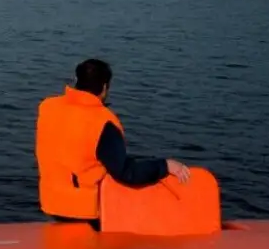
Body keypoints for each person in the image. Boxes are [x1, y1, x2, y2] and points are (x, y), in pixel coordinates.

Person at [35, 58, 191, 230]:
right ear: (104, 87)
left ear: (76, 81)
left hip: (51, 203)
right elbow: (126, 172)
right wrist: (164, 165)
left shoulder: (48, 107)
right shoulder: (103, 122)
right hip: (83, 211)